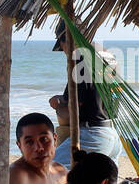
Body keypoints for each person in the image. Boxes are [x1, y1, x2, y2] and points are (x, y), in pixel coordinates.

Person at [49, 22, 123, 167]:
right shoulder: (107, 54)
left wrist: (59, 104)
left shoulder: (80, 57)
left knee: (50, 171)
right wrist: (63, 97)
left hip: (91, 136)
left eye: (62, 45)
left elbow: (75, 104)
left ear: (67, 40)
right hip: (112, 134)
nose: (64, 51)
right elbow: (94, 93)